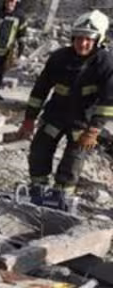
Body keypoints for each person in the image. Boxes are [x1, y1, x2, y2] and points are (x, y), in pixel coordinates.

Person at [19, 10, 113, 211]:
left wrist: (94, 129)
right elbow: (40, 90)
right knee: (39, 150)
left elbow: (108, 101)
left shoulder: (105, 63)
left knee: (73, 160)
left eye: (88, 39)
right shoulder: (59, 58)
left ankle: (61, 197)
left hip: (83, 123)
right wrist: (29, 119)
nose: (82, 43)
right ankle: (37, 190)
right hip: (55, 116)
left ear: (98, 40)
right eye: (79, 38)